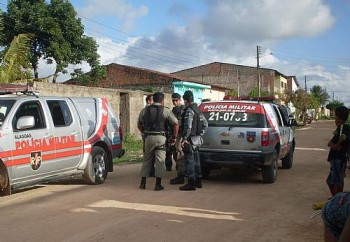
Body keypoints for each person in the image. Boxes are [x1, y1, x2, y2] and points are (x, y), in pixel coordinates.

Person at [138, 92, 179, 191]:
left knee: (147, 159)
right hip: (161, 138)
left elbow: (139, 124)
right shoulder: (166, 111)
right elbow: (176, 123)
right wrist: (174, 136)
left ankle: (143, 183)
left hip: (148, 137)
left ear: (153, 99)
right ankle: (158, 184)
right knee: (160, 160)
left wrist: (144, 133)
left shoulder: (144, 110)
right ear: (162, 100)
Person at [179, 90, 208, 191]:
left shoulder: (189, 110)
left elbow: (188, 127)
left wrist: (184, 139)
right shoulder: (198, 110)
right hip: (197, 139)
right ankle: (198, 181)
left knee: (189, 160)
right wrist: (200, 134)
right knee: (197, 160)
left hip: (190, 139)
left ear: (185, 100)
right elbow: (205, 124)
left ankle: (191, 183)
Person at [326, 106, 350, 197]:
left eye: (335, 116)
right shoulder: (341, 127)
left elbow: (343, 137)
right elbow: (330, 143)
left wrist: (335, 145)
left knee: (336, 181)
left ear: (339, 118)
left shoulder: (344, 127)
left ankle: (338, 200)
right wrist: (332, 144)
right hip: (336, 158)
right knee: (330, 181)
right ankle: (335, 198)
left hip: (338, 158)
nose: (334, 119)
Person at [168, 93, 186, 184]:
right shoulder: (173, 110)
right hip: (174, 135)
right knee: (175, 155)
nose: (174, 102)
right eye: (173, 100)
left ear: (180, 100)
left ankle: (181, 175)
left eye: (176, 100)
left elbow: (179, 124)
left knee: (180, 155)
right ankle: (180, 171)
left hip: (180, 135)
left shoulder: (182, 109)